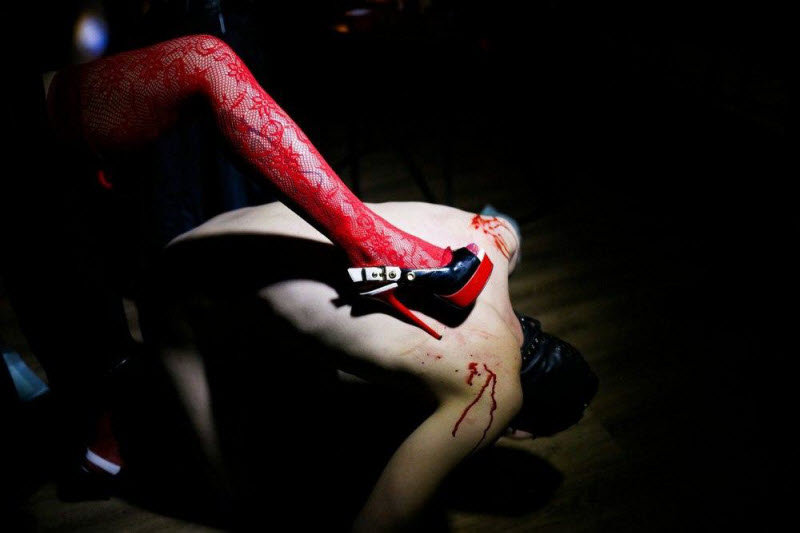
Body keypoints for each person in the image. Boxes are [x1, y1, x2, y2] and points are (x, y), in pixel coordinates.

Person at [152, 199, 598, 531]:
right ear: (518, 425)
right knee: (240, 498)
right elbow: (378, 524)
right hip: (178, 293)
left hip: (216, 232)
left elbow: (505, 225)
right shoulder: (495, 394)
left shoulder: (500, 235)